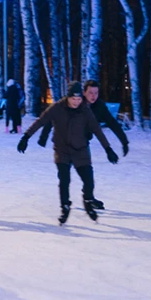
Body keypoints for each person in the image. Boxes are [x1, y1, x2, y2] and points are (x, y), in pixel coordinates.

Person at [17, 81, 119, 225]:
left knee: (88, 180)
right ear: (68, 97)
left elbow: (97, 130)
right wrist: (26, 137)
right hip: (62, 150)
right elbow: (40, 122)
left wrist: (108, 149)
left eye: (79, 99)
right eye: (74, 99)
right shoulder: (57, 108)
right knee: (64, 180)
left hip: (80, 150)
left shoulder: (85, 110)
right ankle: (65, 206)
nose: (77, 102)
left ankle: (88, 200)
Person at [37, 79, 130, 209]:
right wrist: (44, 136)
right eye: (90, 93)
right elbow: (51, 117)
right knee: (64, 173)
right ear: (84, 93)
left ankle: (89, 198)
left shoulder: (99, 106)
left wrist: (124, 141)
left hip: (82, 144)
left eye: (96, 93)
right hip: (64, 144)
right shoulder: (70, 102)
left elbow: (112, 123)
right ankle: (66, 200)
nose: (93, 96)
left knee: (88, 175)